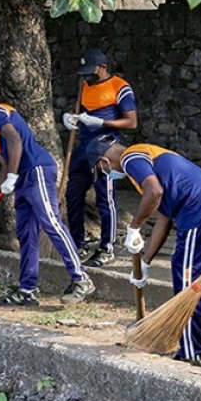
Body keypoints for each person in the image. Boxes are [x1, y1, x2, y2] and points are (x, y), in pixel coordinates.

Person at [86, 135, 201, 367]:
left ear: (104, 161)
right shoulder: (151, 156)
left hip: (198, 211)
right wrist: (145, 262)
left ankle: (191, 354)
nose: (107, 174)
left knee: (188, 281)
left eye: (103, 170)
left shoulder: (130, 157)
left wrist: (134, 227)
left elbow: (154, 193)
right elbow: (163, 218)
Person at [0, 89, 94, 306]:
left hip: (36, 171)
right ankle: (28, 289)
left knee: (51, 222)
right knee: (26, 233)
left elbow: (15, 140)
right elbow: (5, 165)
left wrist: (12, 175)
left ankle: (81, 278)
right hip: (23, 177)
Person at [63, 48, 138, 267]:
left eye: (91, 72)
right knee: (72, 194)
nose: (87, 77)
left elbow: (132, 122)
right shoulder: (84, 86)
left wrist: (102, 123)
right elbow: (79, 110)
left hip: (105, 147)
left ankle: (107, 248)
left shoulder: (120, 87)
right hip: (84, 147)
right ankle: (78, 242)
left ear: (103, 67)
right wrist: (72, 118)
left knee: (105, 198)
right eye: (84, 72)